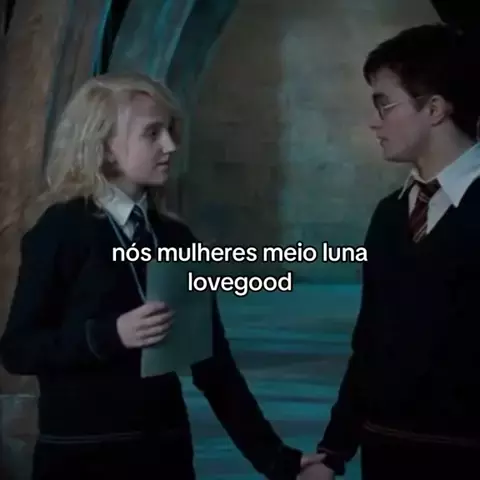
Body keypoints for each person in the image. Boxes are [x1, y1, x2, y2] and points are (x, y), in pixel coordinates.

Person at [0, 72, 323, 480]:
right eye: (152, 133)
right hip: (80, 458)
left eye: (169, 132)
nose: (170, 146)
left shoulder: (176, 238)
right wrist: (111, 335)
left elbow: (214, 366)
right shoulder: (61, 229)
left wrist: (278, 461)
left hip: (165, 455)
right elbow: (19, 350)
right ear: (105, 148)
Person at [299, 24, 480, 479]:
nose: (374, 121)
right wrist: (334, 451)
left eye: (385, 104)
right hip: (386, 454)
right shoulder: (389, 214)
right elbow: (370, 341)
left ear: (434, 108)